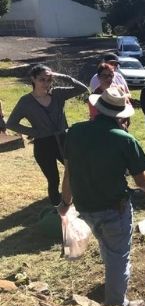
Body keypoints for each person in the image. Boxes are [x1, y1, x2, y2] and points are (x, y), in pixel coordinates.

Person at [59, 87, 145, 306]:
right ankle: (116, 305)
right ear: (122, 116)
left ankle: (112, 292)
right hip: (114, 208)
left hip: (85, 207)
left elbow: (69, 173)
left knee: (107, 246)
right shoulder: (125, 140)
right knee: (118, 258)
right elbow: (142, 182)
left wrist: (65, 203)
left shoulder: (74, 132)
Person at [6, 65, 88, 205]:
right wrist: (35, 132)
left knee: (75, 171)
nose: (45, 83)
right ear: (33, 79)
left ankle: (79, 201)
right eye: (41, 79)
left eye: (49, 80)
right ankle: (56, 207)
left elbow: (82, 89)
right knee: (53, 178)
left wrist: (62, 76)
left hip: (63, 140)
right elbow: (11, 123)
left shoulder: (57, 94)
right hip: (43, 144)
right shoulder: (26, 102)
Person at [88, 53, 130, 120]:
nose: (109, 78)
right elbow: (95, 117)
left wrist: (123, 96)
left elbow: (128, 100)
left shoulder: (119, 80)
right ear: (99, 77)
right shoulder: (95, 93)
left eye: (116, 64)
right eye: (105, 76)